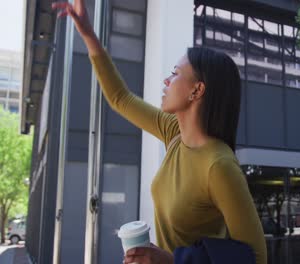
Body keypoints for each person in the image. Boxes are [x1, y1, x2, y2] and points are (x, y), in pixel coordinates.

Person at [52, 1, 267, 264]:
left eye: (175, 74)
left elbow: (256, 257)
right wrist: (87, 33)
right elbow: (120, 97)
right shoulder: (173, 132)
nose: (166, 81)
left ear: (197, 90)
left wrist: (172, 261)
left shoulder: (219, 166)